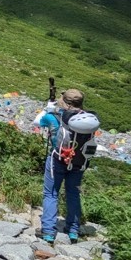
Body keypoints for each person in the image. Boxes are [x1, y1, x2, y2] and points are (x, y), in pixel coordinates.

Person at [37, 88, 98, 244]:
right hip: (79, 162)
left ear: (65, 101)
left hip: (58, 160)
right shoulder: (88, 119)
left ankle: (49, 232)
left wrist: (48, 108)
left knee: (51, 193)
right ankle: (73, 231)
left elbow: (39, 122)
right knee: (73, 194)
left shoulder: (54, 116)